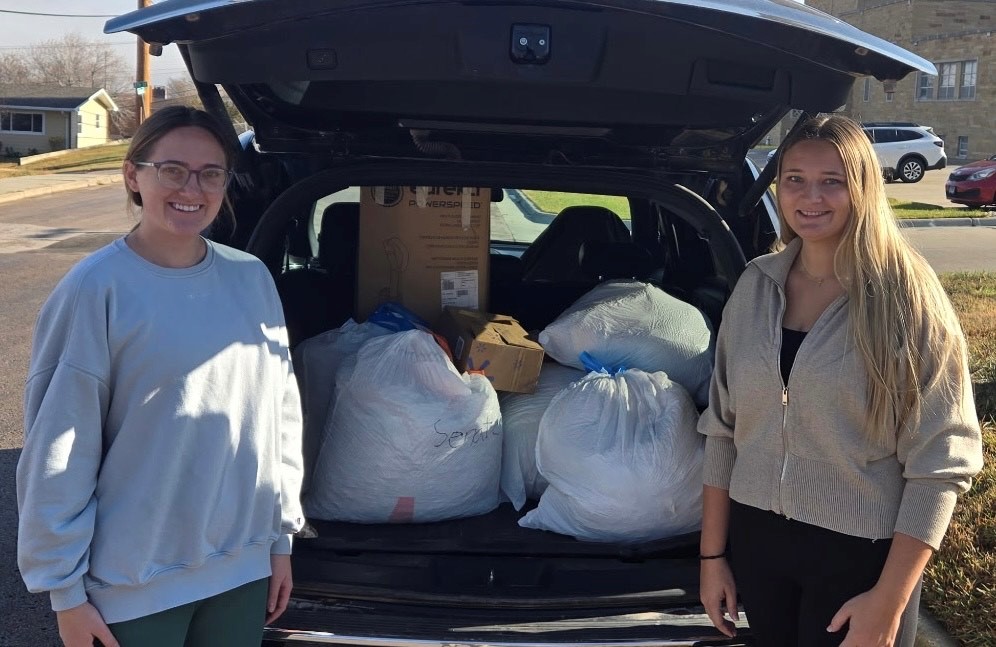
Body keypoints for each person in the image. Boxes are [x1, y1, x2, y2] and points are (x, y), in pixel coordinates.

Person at [17, 105, 304, 647]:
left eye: (210, 173)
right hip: (133, 584)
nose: (191, 188)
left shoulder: (251, 279)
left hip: (241, 572)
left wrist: (279, 538)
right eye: (171, 169)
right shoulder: (96, 289)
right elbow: (60, 444)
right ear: (133, 174)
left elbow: (278, 416)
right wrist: (65, 595)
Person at [697, 114, 983, 646]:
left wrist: (891, 599)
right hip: (759, 544)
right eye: (794, 179)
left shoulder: (906, 297)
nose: (811, 197)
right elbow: (723, 429)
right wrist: (713, 558)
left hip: (861, 555)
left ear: (863, 187)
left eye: (833, 180)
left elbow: (940, 462)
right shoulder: (756, 287)